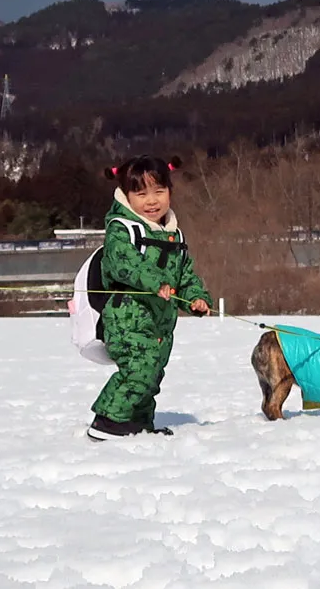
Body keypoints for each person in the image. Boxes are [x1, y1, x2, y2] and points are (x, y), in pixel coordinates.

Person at [87, 154, 213, 441]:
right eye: (141, 193)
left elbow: (186, 276)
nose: (152, 201)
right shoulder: (122, 229)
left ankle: (139, 421)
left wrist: (196, 298)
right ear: (127, 196)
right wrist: (155, 281)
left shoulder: (174, 235)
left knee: (153, 372)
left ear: (170, 191)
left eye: (159, 191)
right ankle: (108, 420)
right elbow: (123, 263)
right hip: (127, 319)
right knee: (138, 368)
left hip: (159, 323)